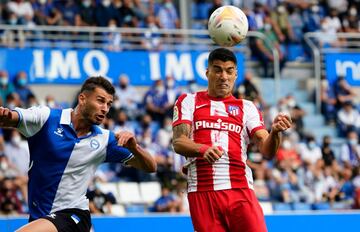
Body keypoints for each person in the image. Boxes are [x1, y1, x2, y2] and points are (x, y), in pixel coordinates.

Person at [0, 76, 157, 232]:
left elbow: (151, 166)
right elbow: (11, 117)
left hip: (73, 216)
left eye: (109, 104)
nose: (105, 108)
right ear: (82, 99)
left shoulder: (105, 140)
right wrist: (6, 115)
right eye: (100, 101)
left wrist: (135, 147)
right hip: (40, 217)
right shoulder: (46, 118)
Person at [172, 48, 292, 232]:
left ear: (236, 75)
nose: (223, 76)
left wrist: (275, 132)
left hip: (240, 190)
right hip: (203, 192)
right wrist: (203, 149)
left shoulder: (247, 107)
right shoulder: (188, 101)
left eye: (229, 71)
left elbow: (267, 150)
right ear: (207, 73)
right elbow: (179, 142)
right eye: (217, 70)